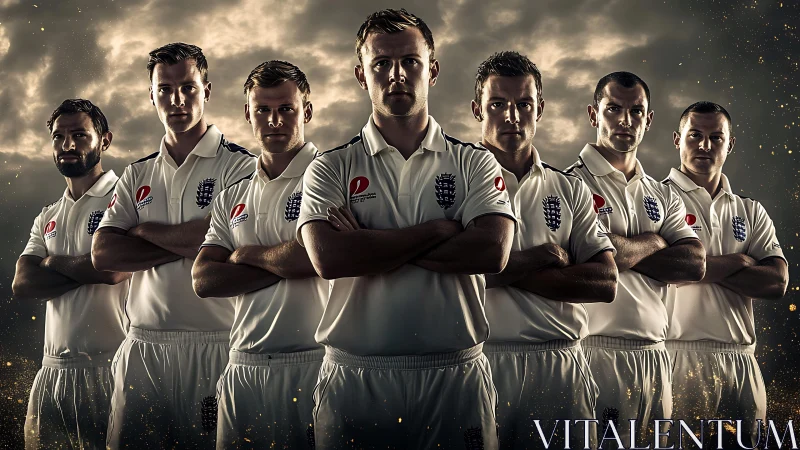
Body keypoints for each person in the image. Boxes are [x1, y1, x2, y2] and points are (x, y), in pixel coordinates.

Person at [297, 8, 516, 449]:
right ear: (362, 75)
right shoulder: (329, 167)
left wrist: (369, 243)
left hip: (454, 376)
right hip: (356, 378)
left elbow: (492, 252)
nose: (396, 74)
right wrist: (441, 229)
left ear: (431, 70)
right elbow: (329, 258)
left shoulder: (473, 161)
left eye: (410, 61)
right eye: (381, 63)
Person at [91, 42, 256, 448]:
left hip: (216, 347)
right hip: (143, 349)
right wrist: (197, 239)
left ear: (207, 90)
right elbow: (104, 254)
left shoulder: (241, 165)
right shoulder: (136, 173)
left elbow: (227, 238)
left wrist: (142, 231)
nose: (176, 99)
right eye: (164, 89)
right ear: (151, 95)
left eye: (187, 87)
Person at [473, 51, 618, 450]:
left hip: (561, 365)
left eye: (523, 104)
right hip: (479, 361)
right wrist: (543, 258)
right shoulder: (453, 180)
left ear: (540, 108)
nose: (512, 116)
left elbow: (605, 282)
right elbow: (442, 275)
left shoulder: (568, 187)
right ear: (476, 109)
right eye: (498, 104)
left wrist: (495, 272)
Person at [565, 72, 706, 448]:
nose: (625, 121)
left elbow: (694, 263)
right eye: (614, 109)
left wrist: (618, 250)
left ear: (649, 119)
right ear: (594, 115)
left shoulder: (662, 194)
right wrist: (659, 241)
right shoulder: (569, 186)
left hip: (656, 357)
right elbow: (588, 258)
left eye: (636, 111)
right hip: (596, 353)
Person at [192, 60, 325, 449]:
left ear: (307, 112)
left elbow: (317, 258)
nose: (274, 120)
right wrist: (288, 261)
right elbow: (203, 280)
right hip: (242, 366)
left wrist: (243, 254)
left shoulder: (330, 177)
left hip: (314, 363)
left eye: (286, 108)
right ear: (247, 113)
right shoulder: (232, 195)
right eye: (263, 110)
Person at [664, 101, 788, 448]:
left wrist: (699, 268)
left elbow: (776, 282)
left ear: (729, 144)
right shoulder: (655, 199)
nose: (705, 145)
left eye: (715, 137)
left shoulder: (750, 210)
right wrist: (740, 261)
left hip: (741, 360)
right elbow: (667, 269)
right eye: (695, 136)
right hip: (678, 356)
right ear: (677, 140)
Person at [13, 99, 130, 449]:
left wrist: (50, 263)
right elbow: (23, 283)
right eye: (58, 136)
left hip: (110, 369)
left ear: (104, 141)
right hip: (51, 372)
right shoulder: (48, 214)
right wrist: (88, 266)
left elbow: (113, 269)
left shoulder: (123, 199)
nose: (68, 145)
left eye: (79, 135)